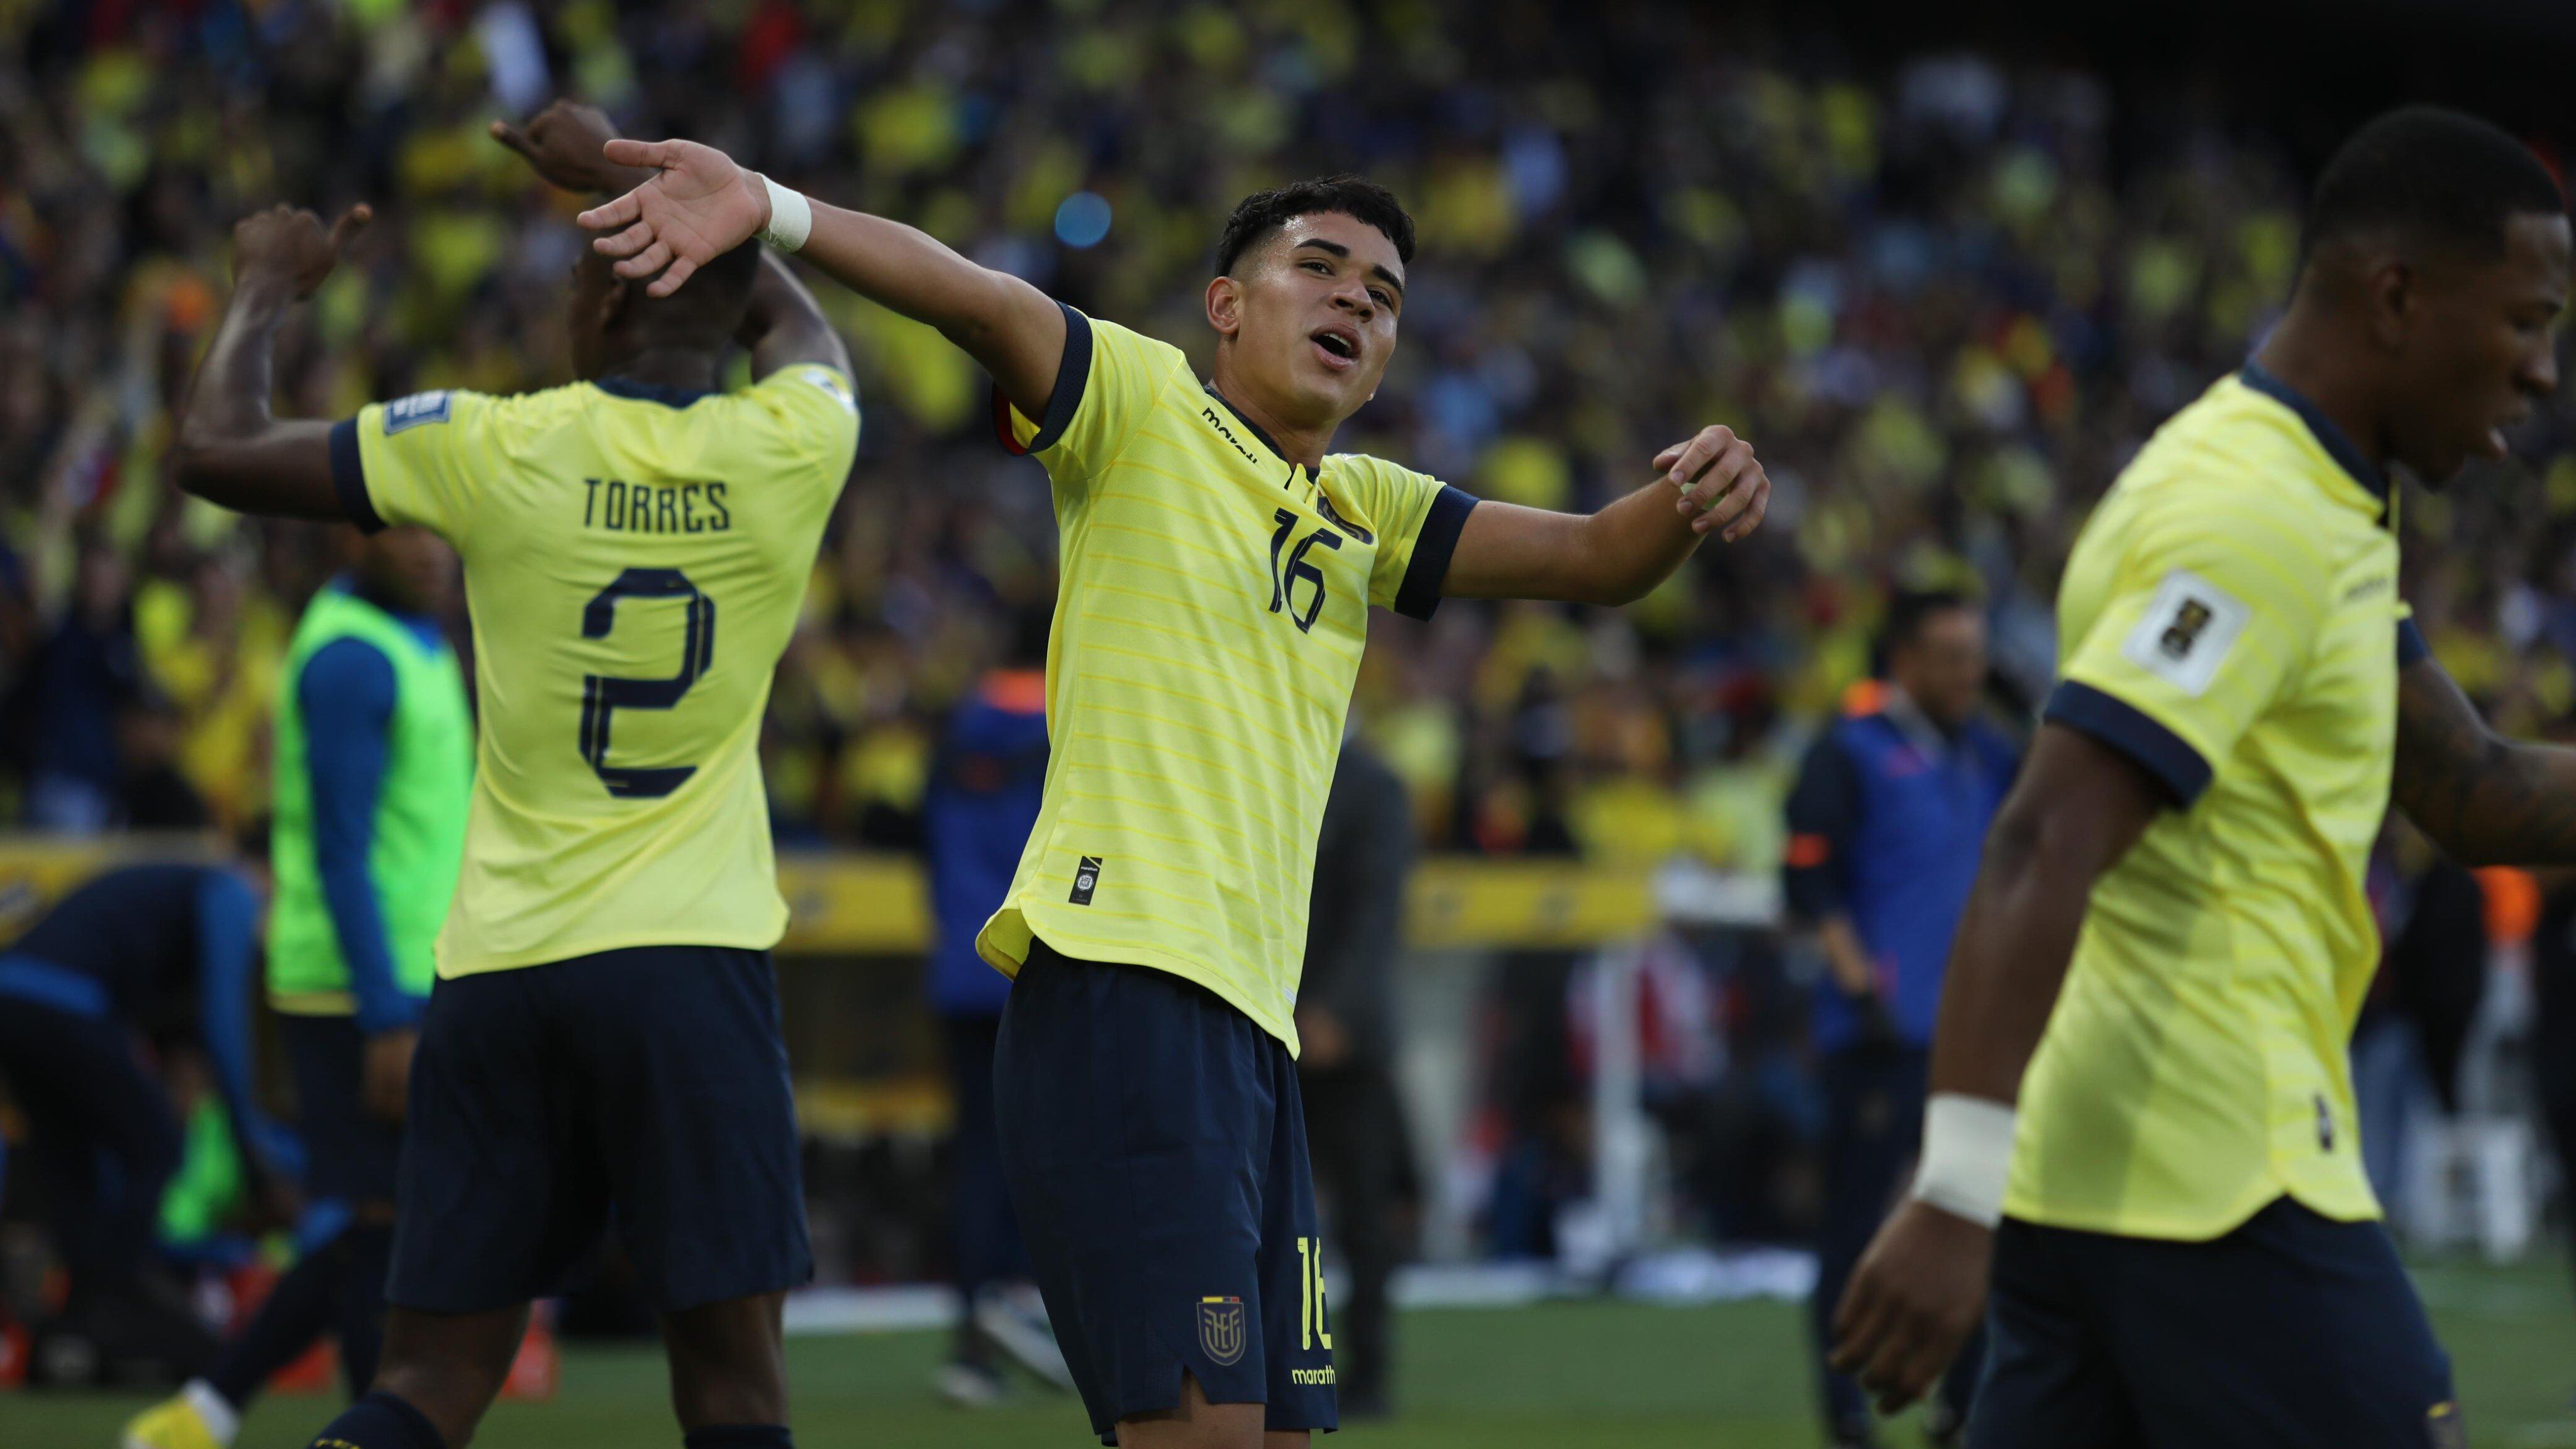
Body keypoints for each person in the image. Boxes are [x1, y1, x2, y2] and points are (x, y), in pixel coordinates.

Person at [579, 140, 1769, 1448]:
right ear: (1224, 306)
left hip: (1253, 1034)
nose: (1354, 304)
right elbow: (974, 300)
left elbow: (1599, 560)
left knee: (1278, 1437)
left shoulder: (1362, 508)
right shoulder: (1142, 408)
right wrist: (779, 210)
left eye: (1381, 297)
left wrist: (1691, 496)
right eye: (1317, 270)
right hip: (1124, 992)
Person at [1830, 106, 2574, 1449]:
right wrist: (1950, 1187)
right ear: (2396, 296)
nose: (2538, 371)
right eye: (2524, 321)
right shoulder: (2250, 519)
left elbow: (2469, 787)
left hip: (2105, 1176)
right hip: (2217, 1170)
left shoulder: (2318, 495)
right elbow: (2041, 839)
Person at [168, 101, 857, 1449]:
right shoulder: (797, 446)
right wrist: (627, 180)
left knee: (425, 1384)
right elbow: (802, 332)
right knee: (731, 1394)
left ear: (595, 322)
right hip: (690, 964)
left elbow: (210, 453)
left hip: (502, 974)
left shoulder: (491, 445)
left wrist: (260, 289)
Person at [125, 526, 472, 1449]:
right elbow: (341, 846)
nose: (435, 550)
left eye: (445, 525)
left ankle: (210, 1410)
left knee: (379, 1226)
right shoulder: (354, 658)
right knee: (379, 1222)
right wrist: (386, 1012)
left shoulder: (419, 637)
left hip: (412, 971)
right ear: (355, 536)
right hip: (360, 987)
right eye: (407, 529)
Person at [1781, 590, 2014, 1448]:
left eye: (1975, 653)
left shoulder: (1985, 753)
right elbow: (1807, 875)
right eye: (1953, 655)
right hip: (1878, 1035)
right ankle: (1847, 1417)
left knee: (1977, 1227)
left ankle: (1963, 1411)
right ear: (1906, 661)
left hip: (1973, 1038)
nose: (1971, 672)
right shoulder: (1852, 750)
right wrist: (1858, 986)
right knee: (1856, 1229)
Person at [0, 857, 294, 1385]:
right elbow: (224, 1025)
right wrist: (258, 1159)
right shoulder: (229, 887)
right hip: (66, 1002)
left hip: (13, 998)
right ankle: (118, 1293)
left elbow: (169, 1030)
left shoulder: (164, 896)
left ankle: (78, 1323)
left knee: (74, 1163)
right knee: (155, 1146)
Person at [918, 606, 1071, 1406]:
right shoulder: (1066, 717)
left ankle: (971, 1347)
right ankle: (1040, 1319)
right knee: (1056, 1157)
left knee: (977, 1159)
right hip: (1039, 967)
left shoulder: (956, 732)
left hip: (960, 970)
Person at [1294, 734, 1418, 1421]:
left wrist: (1335, 1009)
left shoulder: (1371, 786)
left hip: (1349, 1039)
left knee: (1364, 1217)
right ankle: (1290, 1358)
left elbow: (1378, 913)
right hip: (1268, 1021)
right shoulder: (1275, 762)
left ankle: (1368, 1372)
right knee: (1274, 1216)